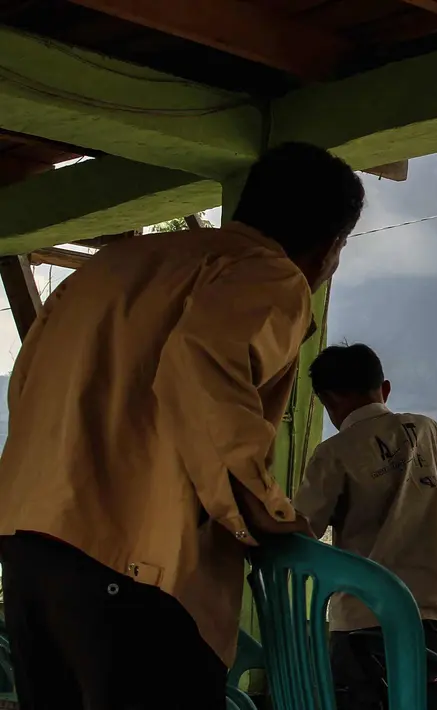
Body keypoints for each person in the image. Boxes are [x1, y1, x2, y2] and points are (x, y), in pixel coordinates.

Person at [0, 141, 365, 710]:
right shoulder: (268, 274)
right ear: (329, 248)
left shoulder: (110, 269)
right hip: (135, 567)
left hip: (31, 557)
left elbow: (24, 389)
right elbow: (203, 371)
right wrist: (268, 516)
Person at [293, 343, 437, 710]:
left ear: (327, 401)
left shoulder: (333, 453)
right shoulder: (426, 430)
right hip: (424, 611)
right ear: (384, 389)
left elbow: (303, 530)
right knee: (415, 700)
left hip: (360, 615)